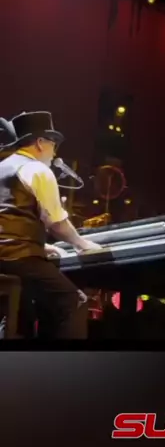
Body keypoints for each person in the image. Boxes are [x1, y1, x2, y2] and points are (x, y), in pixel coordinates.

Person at [0, 111, 102, 339]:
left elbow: (7, 217)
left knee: (37, 304)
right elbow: (57, 223)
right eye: (53, 144)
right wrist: (82, 244)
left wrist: (41, 246)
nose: (55, 152)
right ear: (40, 142)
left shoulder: (3, 167)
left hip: (6, 257)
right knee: (74, 301)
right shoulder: (37, 170)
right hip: (18, 259)